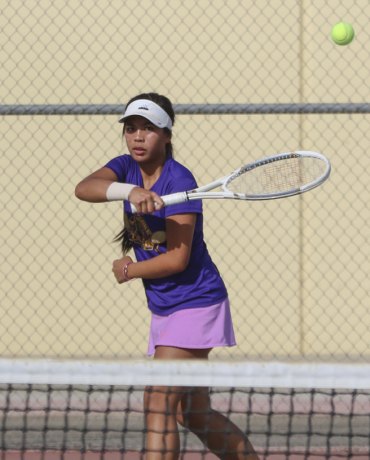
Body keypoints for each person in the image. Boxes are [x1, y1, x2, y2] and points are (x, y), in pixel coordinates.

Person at [75, 93, 260, 460]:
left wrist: (129, 270)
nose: (138, 137)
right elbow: (85, 188)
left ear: (167, 135)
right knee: (192, 413)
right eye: (131, 129)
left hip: (195, 303)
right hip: (165, 307)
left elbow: (177, 259)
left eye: (148, 129)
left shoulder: (180, 179)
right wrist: (132, 191)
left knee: (157, 401)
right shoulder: (125, 168)